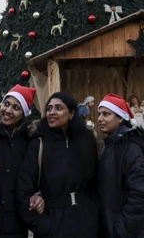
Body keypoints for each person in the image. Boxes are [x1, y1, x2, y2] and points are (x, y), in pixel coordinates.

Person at [16, 92, 100, 238]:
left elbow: (95, 184)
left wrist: (94, 216)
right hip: (53, 224)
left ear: (71, 113)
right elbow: (23, 191)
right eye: (49, 109)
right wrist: (45, 226)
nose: (52, 112)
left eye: (58, 108)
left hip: (87, 224)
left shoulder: (86, 142)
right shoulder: (38, 144)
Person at [0, 85, 44, 238]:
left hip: (16, 222)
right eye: (6, 104)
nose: (8, 110)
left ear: (24, 114)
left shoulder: (30, 142)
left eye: (16, 107)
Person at [96, 94, 144, 238]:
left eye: (106, 114)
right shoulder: (110, 145)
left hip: (134, 232)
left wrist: (121, 229)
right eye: (99, 114)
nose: (100, 118)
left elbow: (141, 194)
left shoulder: (130, 148)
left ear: (120, 118)